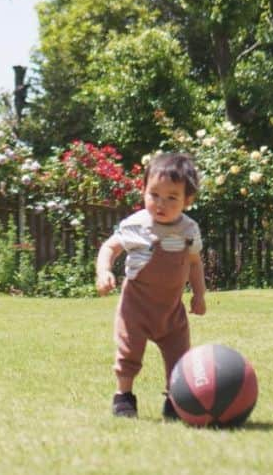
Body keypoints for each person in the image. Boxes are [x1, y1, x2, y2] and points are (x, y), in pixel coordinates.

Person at [95, 151, 206, 418]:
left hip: (171, 307)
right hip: (136, 304)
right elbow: (110, 247)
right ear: (143, 190)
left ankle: (174, 400)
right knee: (129, 351)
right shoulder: (136, 225)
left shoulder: (189, 230)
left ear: (187, 200)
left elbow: (194, 263)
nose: (161, 203)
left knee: (179, 356)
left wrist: (199, 295)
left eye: (171, 197)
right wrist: (103, 271)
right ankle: (124, 395)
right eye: (154, 194)